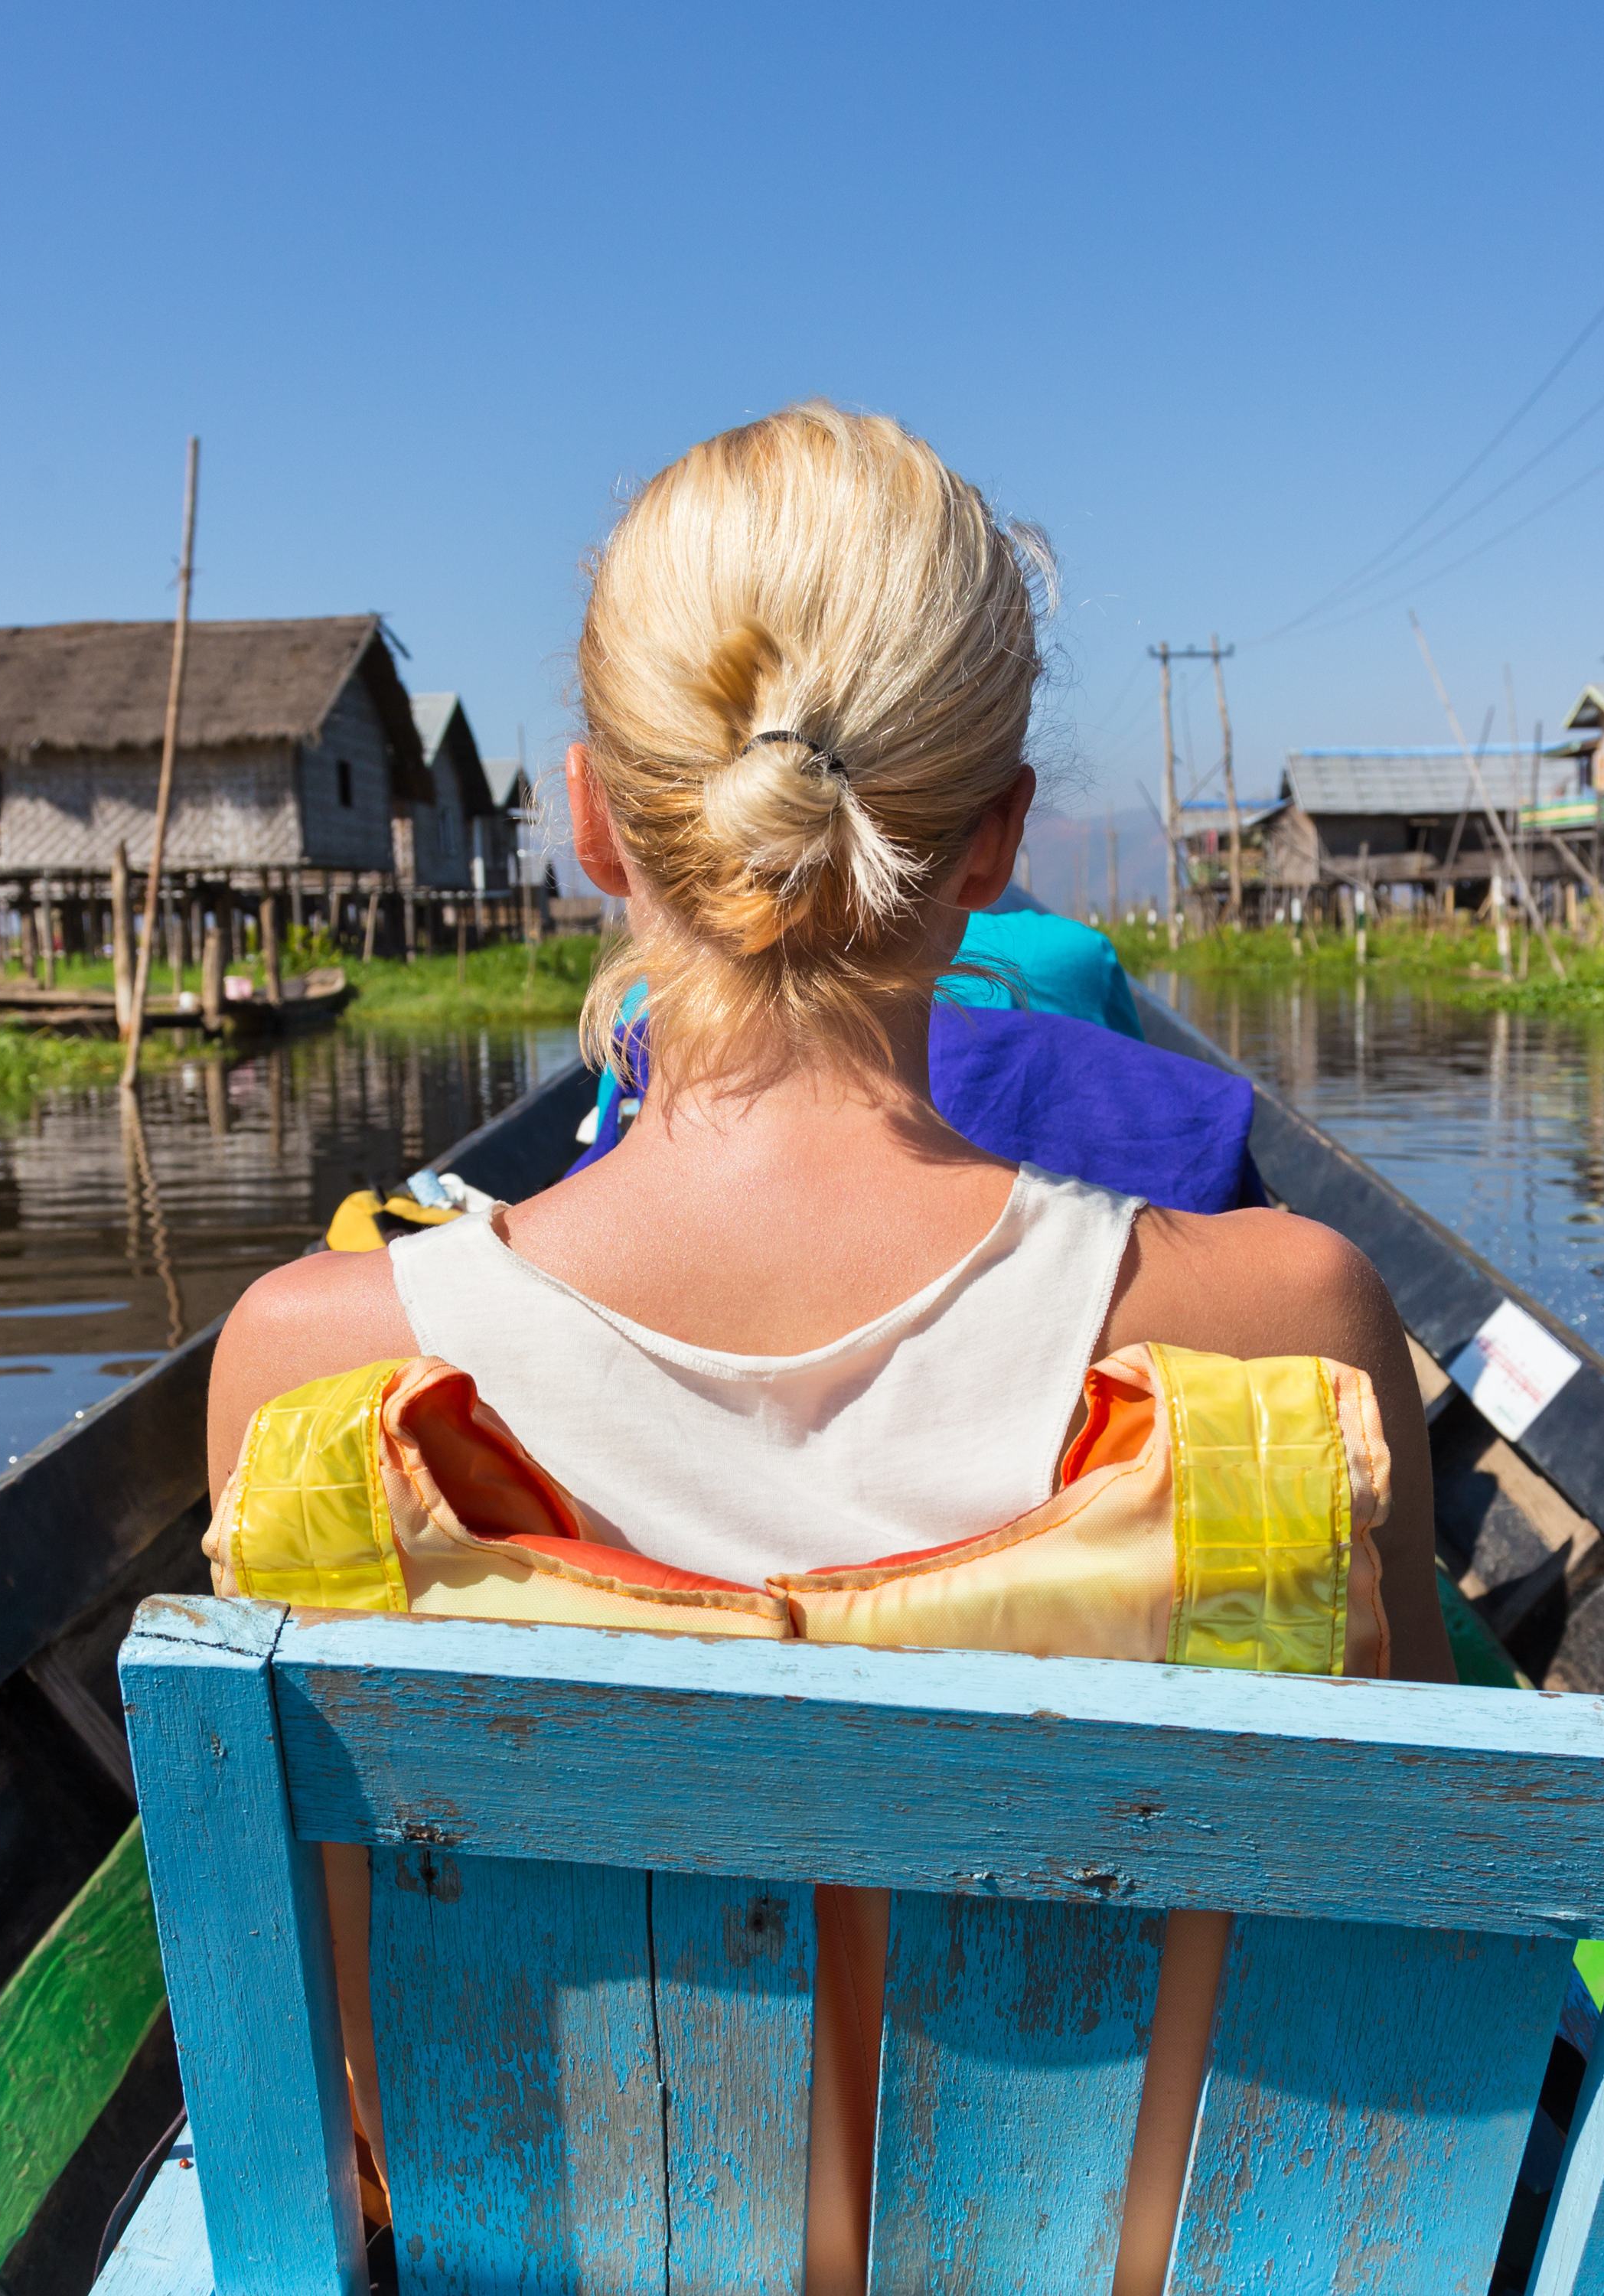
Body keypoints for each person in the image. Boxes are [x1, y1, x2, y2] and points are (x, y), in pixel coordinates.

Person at [204, 402, 1444, 2294]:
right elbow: (1403, 1939)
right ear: (998, 838)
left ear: (599, 819)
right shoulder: (1287, 1333)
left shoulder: (314, 1372)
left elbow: (307, 2030)